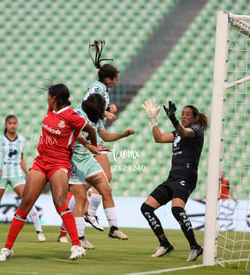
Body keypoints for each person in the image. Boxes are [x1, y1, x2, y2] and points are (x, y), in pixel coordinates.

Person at [0, 83, 99, 261]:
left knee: (60, 202)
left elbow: (88, 129)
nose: (47, 99)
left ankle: (76, 245)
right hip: (42, 160)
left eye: (49, 97)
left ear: (54, 99)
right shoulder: (51, 111)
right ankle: (7, 248)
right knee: (25, 202)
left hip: (60, 162)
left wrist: (93, 147)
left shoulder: (71, 116)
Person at [62, 94, 134, 249]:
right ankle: (79, 238)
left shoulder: (97, 117)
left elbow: (105, 136)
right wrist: (91, 145)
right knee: (80, 198)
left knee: (106, 189)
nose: (103, 112)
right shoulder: (77, 114)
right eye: (102, 109)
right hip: (74, 160)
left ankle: (114, 229)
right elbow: (78, 136)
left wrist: (124, 134)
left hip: (88, 159)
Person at [141, 99, 208, 261]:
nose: (183, 117)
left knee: (176, 209)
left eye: (187, 115)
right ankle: (164, 243)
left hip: (186, 175)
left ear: (195, 118)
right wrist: (153, 121)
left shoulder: (196, 130)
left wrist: (173, 119)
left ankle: (195, 246)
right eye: (182, 114)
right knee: (146, 208)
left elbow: (186, 133)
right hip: (173, 177)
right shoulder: (178, 132)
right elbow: (159, 138)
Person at [80, 40, 125, 238]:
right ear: (108, 79)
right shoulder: (98, 89)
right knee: (95, 182)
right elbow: (86, 103)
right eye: (115, 79)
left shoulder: (103, 90)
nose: (117, 82)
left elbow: (97, 111)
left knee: (104, 179)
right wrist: (106, 113)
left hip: (92, 136)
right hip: (83, 137)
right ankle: (84, 217)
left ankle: (87, 216)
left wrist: (107, 110)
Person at [0, 115, 45, 242]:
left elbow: (21, 159)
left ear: (17, 124)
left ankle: (39, 232)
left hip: (16, 175)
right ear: (6, 125)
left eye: (15, 123)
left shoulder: (21, 140)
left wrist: (28, 174)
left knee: (28, 200)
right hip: (1, 175)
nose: (12, 125)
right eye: (10, 123)